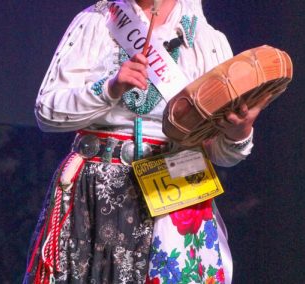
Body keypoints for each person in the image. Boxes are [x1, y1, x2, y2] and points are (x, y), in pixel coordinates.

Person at [24, 0, 268, 283]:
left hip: (176, 190)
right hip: (96, 193)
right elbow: (47, 112)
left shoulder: (207, 40)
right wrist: (109, 88)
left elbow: (218, 151)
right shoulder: (96, 22)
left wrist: (238, 132)